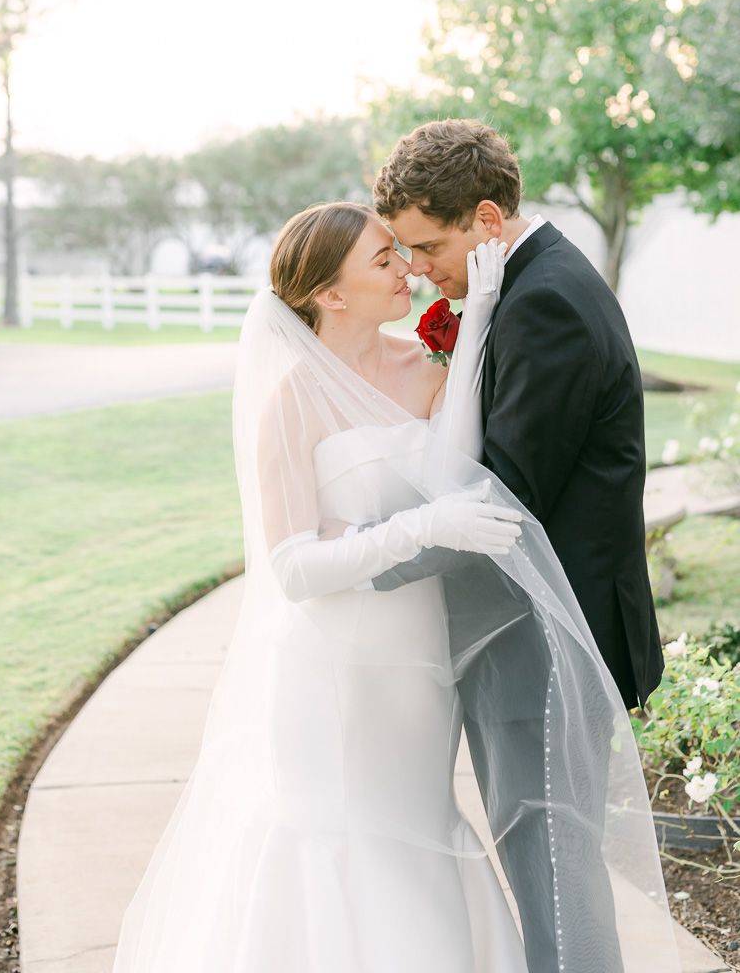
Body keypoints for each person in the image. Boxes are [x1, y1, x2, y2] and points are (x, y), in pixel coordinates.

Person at [111, 199, 679, 973]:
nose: (408, 268)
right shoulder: (289, 403)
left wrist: (477, 313)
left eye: (403, 253)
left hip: (419, 660)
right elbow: (293, 568)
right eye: (384, 259)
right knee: (343, 836)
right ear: (330, 294)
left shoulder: (429, 369)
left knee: (418, 826)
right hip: (334, 671)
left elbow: (455, 473)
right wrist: (418, 531)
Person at [371, 117, 666, 972]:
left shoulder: (548, 303)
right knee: (542, 862)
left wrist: (369, 558)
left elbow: (502, 492)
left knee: (552, 874)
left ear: (488, 221)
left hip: (547, 633)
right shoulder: (527, 285)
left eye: (428, 246)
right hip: (527, 623)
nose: (419, 269)